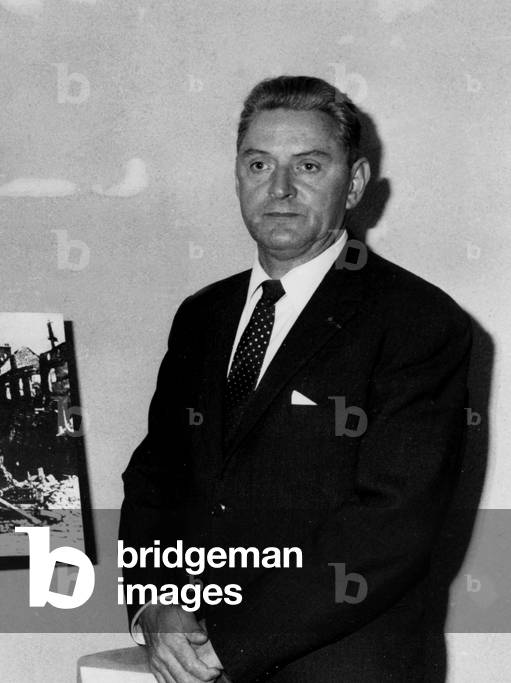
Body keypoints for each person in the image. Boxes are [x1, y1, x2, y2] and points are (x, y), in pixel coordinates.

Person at [120, 75, 471, 682]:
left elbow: (391, 524)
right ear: (237, 177)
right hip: (189, 667)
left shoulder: (417, 320)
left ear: (355, 182)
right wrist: (154, 604)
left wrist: (232, 643)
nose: (279, 188)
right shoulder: (201, 316)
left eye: (308, 165)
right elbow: (156, 479)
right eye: (259, 164)